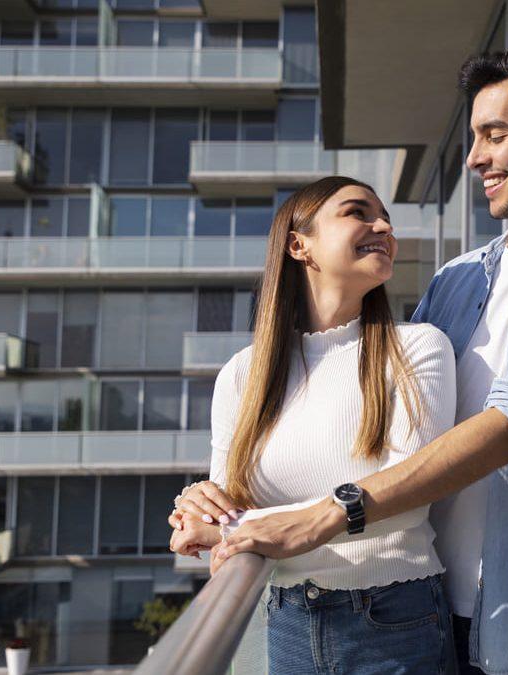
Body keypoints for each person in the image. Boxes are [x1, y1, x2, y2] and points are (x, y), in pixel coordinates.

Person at [177, 40, 508, 674]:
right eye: (474, 137)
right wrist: (210, 497)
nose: (474, 157)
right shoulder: (457, 279)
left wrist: (321, 517)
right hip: (426, 617)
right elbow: (376, 423)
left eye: (495, 135)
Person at [168, 176, 459, 674]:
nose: (384, 227)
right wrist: (199, 504)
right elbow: (226, 508)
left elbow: (409, 497)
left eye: (385, 218)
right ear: (298, 245)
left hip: (395, 622)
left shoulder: (417, 348)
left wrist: (230, 529)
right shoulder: (242, 374)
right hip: (286, 618)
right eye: (358, 212)